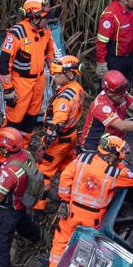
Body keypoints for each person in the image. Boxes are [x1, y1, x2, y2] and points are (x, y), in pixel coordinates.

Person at [46, 135, 133, 267]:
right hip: (91, 219)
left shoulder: (83, 159)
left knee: (59, 246)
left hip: (71, 211)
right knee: (83, 251)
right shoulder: (113, 173)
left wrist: (64, 200)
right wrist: (119, 165)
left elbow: (65, 176)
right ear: (112, 154)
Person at [0, 128, 41, 267]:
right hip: (22, 203)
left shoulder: (9, 170)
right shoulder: (25, 155)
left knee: (1, 245)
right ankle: (37, 236)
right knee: (23, 222)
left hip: (8, 210)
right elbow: (15, 177)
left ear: (4, 148)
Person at [32, 56, 87, 212]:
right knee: (67, 168)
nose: (54, 77)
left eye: (57, 74)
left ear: (70, 73)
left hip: (59, 140)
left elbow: (56, 125)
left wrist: (44, 145)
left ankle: (38, 206)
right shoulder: (76, 88)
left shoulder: (64, 99)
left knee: (43, 171)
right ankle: (69, 197)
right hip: (71, 135)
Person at [1, 0, 59, 132]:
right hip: (21, 82)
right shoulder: (17, 33)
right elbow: (4, 63)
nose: (47, 21)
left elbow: (50, 52)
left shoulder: (45, 30)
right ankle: (7, 150)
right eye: (45, 17)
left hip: (39, 80)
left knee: (32, 117)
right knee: (14, 120)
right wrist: (8, 90)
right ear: (34, 17)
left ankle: (24, 147)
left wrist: (55, 73)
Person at [80, 70, 133, 154]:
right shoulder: (101, 106)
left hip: (113, 141)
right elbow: (121, 125)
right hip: (93, 147)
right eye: (120, 93)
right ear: (110, 93)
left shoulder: (122, 94)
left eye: (124, 91)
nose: (124, 95)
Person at [94, 0, 133, 81]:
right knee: (111, 90)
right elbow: (101, 43)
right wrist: (101, 64)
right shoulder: (110, 16)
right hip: (115, 61)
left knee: (126, 87)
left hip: (129, 57)